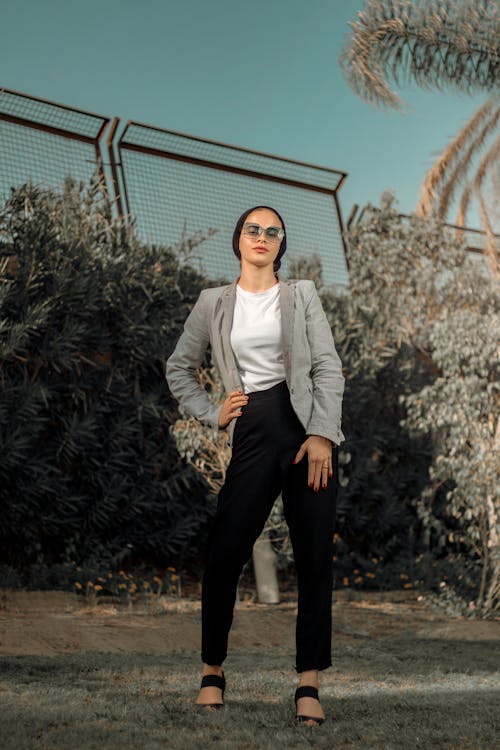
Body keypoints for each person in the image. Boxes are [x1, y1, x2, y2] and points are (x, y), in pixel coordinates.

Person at [165, 205, 345, 727]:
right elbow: (179, 367)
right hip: (254, 424)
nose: (262, 237)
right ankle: (212, 671)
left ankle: (308, 681)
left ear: (281, 243)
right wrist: (209, 410)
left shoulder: (302, 294)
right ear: (239, 240)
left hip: (307, 430)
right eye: (253, 230)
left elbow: (327, 365)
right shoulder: (213, 302)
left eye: (273, 232)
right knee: (225, 553)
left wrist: (321, 435)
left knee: (314, 559)